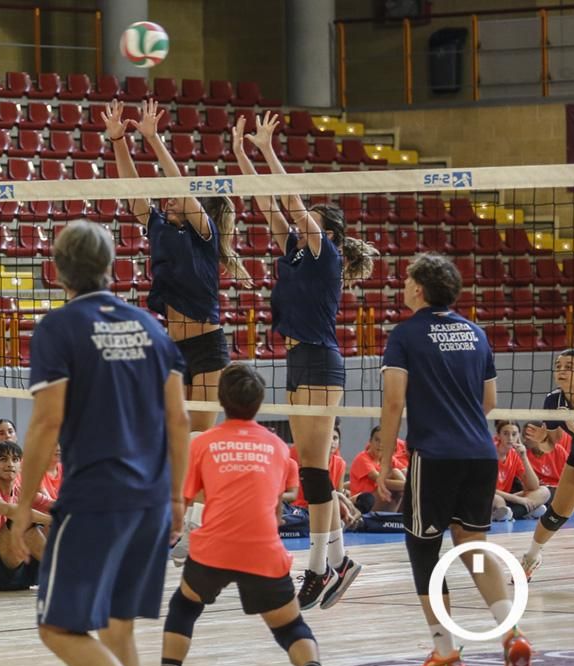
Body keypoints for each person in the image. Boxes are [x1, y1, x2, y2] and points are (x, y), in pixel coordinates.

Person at [9, 220, 191, 666]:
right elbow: (179, 419)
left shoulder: (58, 328)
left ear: (57, 272)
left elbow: (47, 421)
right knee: (116, 626)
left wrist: (23, 504)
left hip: (96, 499)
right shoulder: (151, 328)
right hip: (151, 501)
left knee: (57, 628)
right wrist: (176, 497)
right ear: (111, 266)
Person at [236, 112, 377, 608]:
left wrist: (268, 149)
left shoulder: (325, 254)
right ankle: (339, 560)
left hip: (319, 360)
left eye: (310, 223)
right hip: (297, 361)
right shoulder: (296, 254)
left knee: (315, 472)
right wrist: (241, 153)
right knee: (309, 466)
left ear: (329, 233)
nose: (299, 226)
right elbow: (267, 203)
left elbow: (292, 203)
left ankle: (319, 567)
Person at [377, 252, 532, 666]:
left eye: (406, 280)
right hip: (480, 454)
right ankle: (511, 632)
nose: (402, 285)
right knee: (472, 546)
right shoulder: (476, 333)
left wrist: (384, 461)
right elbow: (489, 401)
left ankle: (445, 651)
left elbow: (393, 402)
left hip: (435, 456)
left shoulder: (405, 335)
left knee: (423, 551)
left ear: (419, 288)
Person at [164, 364, 323, 666]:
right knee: (290, 627)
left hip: (214, 549)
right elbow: (276, 510)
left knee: (184, 607)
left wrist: (174, 531)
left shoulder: (202, 443)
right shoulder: (278, 447)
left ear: (221, 400)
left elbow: (181, 500)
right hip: (263, 550)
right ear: (259, 402)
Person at [107, 99, 250, 433]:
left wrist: (153, 139)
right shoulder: (158, 226)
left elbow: (180, 186)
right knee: (174, 435)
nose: (169, 197)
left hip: (206, 345)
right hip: (172, 346)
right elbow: (132, 189)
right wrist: (118, 140)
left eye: (177, 195)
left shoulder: (204, 234)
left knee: (197, 436)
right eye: (168, 195)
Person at [520, 348, 574, 579]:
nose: (561, 371)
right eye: (558, 366)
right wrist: (542, 440)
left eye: (569, 367)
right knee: (556, 514)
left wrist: (573, 427)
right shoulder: (554, 400)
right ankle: (532, 557)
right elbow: (550, 446)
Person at [0, 442, 51, 592]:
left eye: (15, 459)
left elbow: (55, 505)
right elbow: (12, 511)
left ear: (20, 465)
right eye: (3, 459)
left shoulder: (21, 492)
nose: (10, 464)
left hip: (22, 574)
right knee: (21, 521)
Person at [491, 421, 548, 521]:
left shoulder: (515, 454)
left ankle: (506, 513)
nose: (510, 438)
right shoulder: (489, 452)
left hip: (507, 497)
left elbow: (533, 486)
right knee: (498, 500)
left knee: (544, 491)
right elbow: (487, 489)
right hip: (489, 496)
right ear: (498, 436)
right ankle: (525, 512)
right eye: (505, 434)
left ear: (518, 436)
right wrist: (518, 499)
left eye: (514, 434)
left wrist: (524, 457)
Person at [350, 428, 406, 514]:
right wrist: (408, 486)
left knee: (396, 473)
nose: (380, 444)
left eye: (384, 441)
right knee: (396, 484)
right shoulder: (362, 458)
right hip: (363, 504)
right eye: (377, 440)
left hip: (384, 501)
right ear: (370, 441)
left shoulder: (388, 458)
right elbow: (381, 481)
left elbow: (406, 473)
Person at [523, 420, 570, 492]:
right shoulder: (523, 454)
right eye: (523, 435)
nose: (524, 440)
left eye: (528, 435)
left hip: (560, 489)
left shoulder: (558, 450)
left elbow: (570, 476)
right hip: (540, 491)